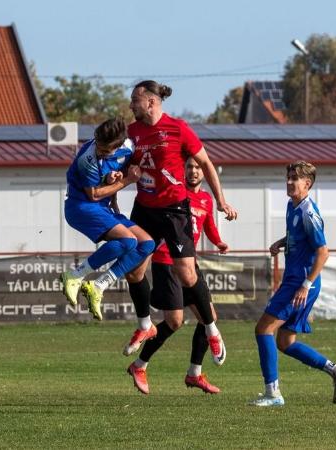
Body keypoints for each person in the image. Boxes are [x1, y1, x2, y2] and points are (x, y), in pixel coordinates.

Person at [124, 80, 237, 387]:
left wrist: (222, 200)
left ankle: (212, 331)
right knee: (134, 271)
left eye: (135, 99)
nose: (131, 105)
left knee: (188, 275)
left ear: (151, 102)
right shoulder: (132, 132)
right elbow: (124, 167)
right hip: (144, 209)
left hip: (174, 210)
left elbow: (206, 163)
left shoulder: (177, 128)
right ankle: (144, 325)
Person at [249, 161, 336, 407]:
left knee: (263, 329)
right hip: (299, 281)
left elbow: (323, 252)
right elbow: (298, 237)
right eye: (288, 177)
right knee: (285, 342)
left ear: (308, 184)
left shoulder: (309, 212)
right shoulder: (292, 205)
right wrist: (282, 242)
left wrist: (305, 284)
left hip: (301, 282)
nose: (289, 182)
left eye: (294, 178)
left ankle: (273, 394)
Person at [127, 158, 229, 395]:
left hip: (190, 263)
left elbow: (208, 225)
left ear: (204, 173)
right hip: (167, 262)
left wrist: (219, 242)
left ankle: (194, 373)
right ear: (182, 170)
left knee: (208, 317)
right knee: (174, 322)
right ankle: (139, 365)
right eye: (189, 167)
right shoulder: (175, 193)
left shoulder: (205, 199)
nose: (193, 171)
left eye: (197, 168)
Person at [59, 117, 155, 320]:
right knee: (128, 241)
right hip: (81, 206)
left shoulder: (128, 148)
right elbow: (93, 194)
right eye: (99, 147)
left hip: (103, 207)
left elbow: (114, 173)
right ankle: (75, 275)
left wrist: (115, 185)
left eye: (105, 150)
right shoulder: (88, 158)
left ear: (118, 145)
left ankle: (98, 285)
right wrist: (128, 180)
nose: (99, 152)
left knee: (146, 244)